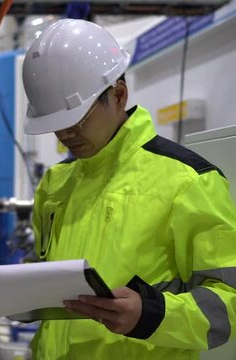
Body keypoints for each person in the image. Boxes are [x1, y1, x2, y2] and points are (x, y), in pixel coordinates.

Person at [22, 18, 236, 359]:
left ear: (118, 95)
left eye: (75, 120)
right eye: (55, 125)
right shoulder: (56, 183)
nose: (65, 136)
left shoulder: (188, 179)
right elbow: (46, 271)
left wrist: (151, 315)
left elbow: (229, 302)